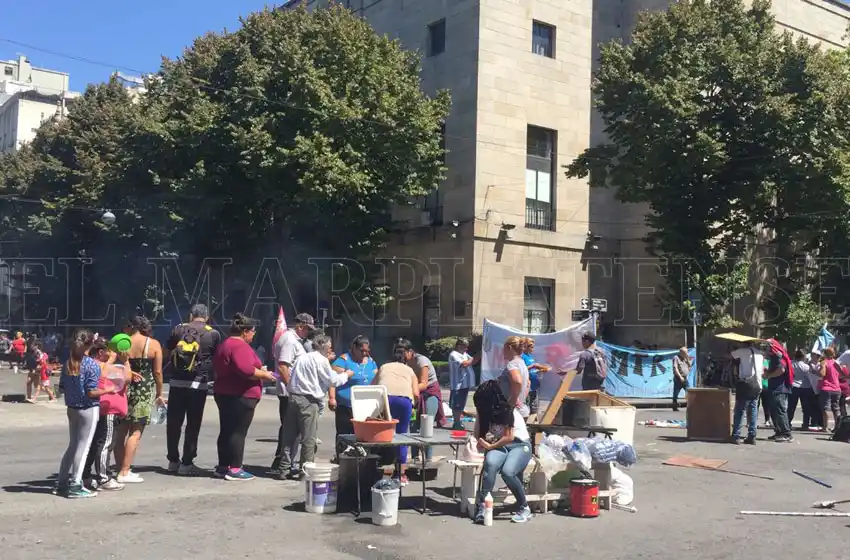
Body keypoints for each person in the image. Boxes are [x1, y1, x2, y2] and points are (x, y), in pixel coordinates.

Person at [278, 334, 353, 480]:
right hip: (308, 400)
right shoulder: (321, 360)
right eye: (330, 347)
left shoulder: (302, 357)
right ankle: (305, 470)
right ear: (323, 346)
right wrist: (346, 374)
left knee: (290, 436)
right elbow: (333, 380)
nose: (331, 349)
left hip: (293, 397)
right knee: (309, 438)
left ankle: (284, 468)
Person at [212, 313, 276, 481]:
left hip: (225, 392)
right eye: (253, 331)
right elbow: (246, 370)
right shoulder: (239, 346)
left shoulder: (226, 343)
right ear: (245, 331)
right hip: (240, 395)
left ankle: (223, 466)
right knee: (237, 432)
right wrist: (265, 374)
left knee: (226, 430)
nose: (253, 335)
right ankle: (234, 468)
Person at [54, 329, 117, 498]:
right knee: (83, 446)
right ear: (91, 344)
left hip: (72, 408)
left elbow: (61, 388)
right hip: (88, 408)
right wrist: (108, 389)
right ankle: (75, 484)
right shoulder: (91, 365)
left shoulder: (68, 362)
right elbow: (91, 392)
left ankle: (62, 482)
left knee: (73, 445)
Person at [165, 303, 221, 476]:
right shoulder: (213, 334)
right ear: (207, 316)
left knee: (174, 422)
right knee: (193, 424)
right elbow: (217, 359)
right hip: (199, 384)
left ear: (191, 315)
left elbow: (169, 350)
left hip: (176, 382)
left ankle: (173, 460)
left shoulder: (178, 329)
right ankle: (187, 463)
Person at [473, 379, 533, 524]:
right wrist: (480, 441)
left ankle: (524, 507)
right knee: (491, 464)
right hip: (500, 445)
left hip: (519, 445)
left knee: (508, 472)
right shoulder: (484, 413)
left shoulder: (507, 410)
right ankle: (483, 506)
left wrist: (491, 446)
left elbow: (509, 437)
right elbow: (478, 434)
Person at [115, 316, 165, 484]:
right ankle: (125, 471)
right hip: (144, 390)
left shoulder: (122, 343)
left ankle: (119, 467)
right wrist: (159, 392)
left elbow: (115, 366)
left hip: (124, 388)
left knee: (121, 430)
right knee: (136, 432)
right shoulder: (153, 344)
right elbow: (157, 372)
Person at [83, 336, 133, 491]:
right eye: (109, 351)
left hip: (104, 409)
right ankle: (104, 478)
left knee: (97, 443)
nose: (113, 353)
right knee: (105, 444)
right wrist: (124, 362)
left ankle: (86, 475)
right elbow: (126, 379)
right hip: (108, 410)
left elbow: (125, 378)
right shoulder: (101, 366)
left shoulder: (101, 365)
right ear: (100, 353)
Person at [269, 313, 315, 477]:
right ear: (300, 326)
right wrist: (292, 387)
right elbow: (283, 367)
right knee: (291, 431)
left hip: (292, 391)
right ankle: (282, 463)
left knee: (293, 431)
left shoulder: (294, 340)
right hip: (290, 393)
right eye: (307, 329)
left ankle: (284, 464)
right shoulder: (289, 340)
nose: (308, 333)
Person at [373, 342, 420, 484]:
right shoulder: (409, 370)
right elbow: (416, 393)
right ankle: (401, 474)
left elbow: (372, 386)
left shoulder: (383, 367)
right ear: (404, 359)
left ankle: (374, 467)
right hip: (404, 401)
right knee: (402, 436)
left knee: (379, 433)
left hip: (385, 399)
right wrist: (414, 405)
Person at [330, 335, 378, 437]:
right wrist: (332, 398)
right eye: (361, 350)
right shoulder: (343, 360)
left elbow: (377, 378)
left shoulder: (371, 361)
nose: (364, 353)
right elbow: (332, 380)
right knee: (344, 435)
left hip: (365, 407)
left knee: (363, 436)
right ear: (354, 348)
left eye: (366, 350)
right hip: (346, 406)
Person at [730, 342, 763, 445]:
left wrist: (731, 348)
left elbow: (730, 355)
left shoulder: (743, 351)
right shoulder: (759, 353)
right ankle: (752, 435)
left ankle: (736, 435)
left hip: (745, 383)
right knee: (753, 410)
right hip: (757, 384)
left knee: (740, 410)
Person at [762, 340, 793, 443]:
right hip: (775, 387)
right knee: (774, 411)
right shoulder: (774, 357)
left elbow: (781, 370)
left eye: (766, 347)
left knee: (780, 411)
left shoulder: (777, 356)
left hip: (779, 388)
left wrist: (769, 375)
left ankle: (785, 433)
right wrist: (767, 371)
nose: (764, 349)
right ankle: (779, 432)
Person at [449, 338, 478, 429]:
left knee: (461, 403)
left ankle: (458, 421)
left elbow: (473, 362)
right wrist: (476, 357)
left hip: (465, 384)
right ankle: (456, 422)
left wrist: (480, 355)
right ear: (459, 346)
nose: (466, 349)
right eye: (465, 347)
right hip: (458, 384)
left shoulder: (464, 354)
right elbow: (464, 364)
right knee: (457, 404)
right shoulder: (454, 355)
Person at [499, 336, 530, 419]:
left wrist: (514, 400)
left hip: (512, 411)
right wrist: (521, 399)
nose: (502, 352)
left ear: (509, 348)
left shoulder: (512, 364)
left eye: (504, 349)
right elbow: (528, 384)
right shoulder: (522, 363)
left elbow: (517, 381)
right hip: (521, 409)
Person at [520, 338, 549, 416]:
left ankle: (531, 423)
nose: (533, 349)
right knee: (527, 406)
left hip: (534, 385)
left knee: (534, 407)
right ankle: (526, 424)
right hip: (527, 386)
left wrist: (540, 370)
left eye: (533, 347)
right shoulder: (522, 357)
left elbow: (532, 369)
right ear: (525, 346)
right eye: (531, 347)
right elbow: (521, 370)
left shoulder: (530, 356)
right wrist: (533, 366)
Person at [817, 347, 842, 431]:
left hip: (826, 388)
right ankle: (837, 427)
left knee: (826, 408)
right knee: (836, 408)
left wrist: (817, 370)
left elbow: (822, 374)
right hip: (837, 388)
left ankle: (825, 427)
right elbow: (841, 374)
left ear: (825, 354)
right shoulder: (837, 363)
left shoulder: (824, 362)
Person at [790, 350, 815, 430]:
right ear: (803, 357)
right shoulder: (805, 366)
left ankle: (788, 422)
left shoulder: (791, 364)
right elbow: (809, 377)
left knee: (791, 406)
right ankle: (805, 424)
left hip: (793, 386)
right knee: (806, 407)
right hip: (805, 387)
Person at [671, 347, 691, 412]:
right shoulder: (676, 358)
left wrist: (687, 359)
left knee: (689, 391)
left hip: (685, 378)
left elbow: (689, 366)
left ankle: (690, 406)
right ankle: (674, 406)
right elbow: (675, 368)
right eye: (685, 353)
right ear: (681, 353)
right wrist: (680, 377)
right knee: (676, 393)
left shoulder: (685, 358)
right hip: (678, 378)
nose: (686, 354)